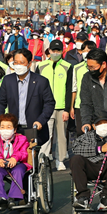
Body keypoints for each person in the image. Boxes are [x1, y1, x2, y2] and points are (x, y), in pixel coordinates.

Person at [0, 49, 55, 146]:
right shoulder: (8, 80)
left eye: (22, 63)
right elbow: (1, 103)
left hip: (33, 129)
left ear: (29, 64)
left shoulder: (41, 81)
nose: (18, 65)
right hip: (14, 129)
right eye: (16, 62)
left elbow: (49, 103)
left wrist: (41, 121)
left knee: (30, 158)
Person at [36, 39, 73, 171]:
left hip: (61, 107)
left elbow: (69, 89)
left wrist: (67, 109)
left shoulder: (68, 66)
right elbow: (35, 88)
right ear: (49, 51)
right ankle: (43, 158)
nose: (55, 53)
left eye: (58, 51)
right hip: (45, 107)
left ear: (62, 51)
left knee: (61, 135)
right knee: (46, 134)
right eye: (53, 50)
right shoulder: (41, 66)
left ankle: (60, 159)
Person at [0, 113, 31, 208]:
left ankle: (13, 197)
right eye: (2, 127)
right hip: (1, 164)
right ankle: (0, 198)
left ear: (14, 129)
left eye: (8, 127)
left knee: (18, 170)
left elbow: (23, 152)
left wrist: (15, 158)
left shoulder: (22, 139)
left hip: (18, 163)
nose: (5, 129)